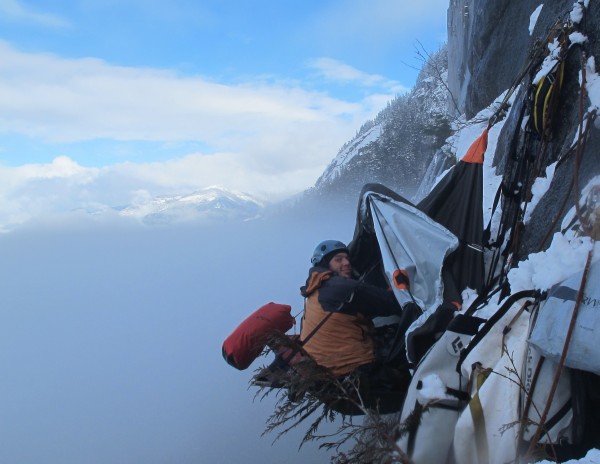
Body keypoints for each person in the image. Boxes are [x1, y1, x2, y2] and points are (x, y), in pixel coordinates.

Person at [299, 240, 413, 386]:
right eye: (338, 260)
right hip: (355, 369)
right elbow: (391, 303)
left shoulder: (314, 292)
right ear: (325, 264)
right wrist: (401, 287)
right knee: (410, 342)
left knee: (384, 330)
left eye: (347, 258)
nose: (346, 263)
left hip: (327, 371)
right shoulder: (340, 286)